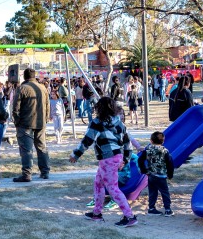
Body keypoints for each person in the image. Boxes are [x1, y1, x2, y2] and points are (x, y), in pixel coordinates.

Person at [69, 96, 137, 227]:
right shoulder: (119, 123)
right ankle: (97, 213)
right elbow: (128, 143)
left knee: (112, 188)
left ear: (99, 108)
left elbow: (87, 140)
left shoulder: (97, 123)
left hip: (107, 159)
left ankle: (130, 216)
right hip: (116, 157)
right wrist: (126, 159)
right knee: (98, 184)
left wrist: (76, 155)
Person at [11, 68, 50, 182]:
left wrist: (17, 122)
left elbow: (15, 108)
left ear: (24, 76)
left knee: (26, 150)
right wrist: (46, 119)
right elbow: (47, 105)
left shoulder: (22, 88)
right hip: (41, 122)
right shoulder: (43, 87)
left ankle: (27, 174)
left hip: (25, 123)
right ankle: (45, 172)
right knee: (42, 147)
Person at [138, 131, 174, 216]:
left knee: (152, 192)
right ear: (163, 141)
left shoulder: (148, 150)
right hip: (161, 175)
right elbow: (170, 163)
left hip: (151, 175)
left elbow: (140, 160)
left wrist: (144, 170)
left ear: (151, 140)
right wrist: (170, 174)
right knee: (164, 192)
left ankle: (151, 208)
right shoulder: (165, 151)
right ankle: (168, 210)